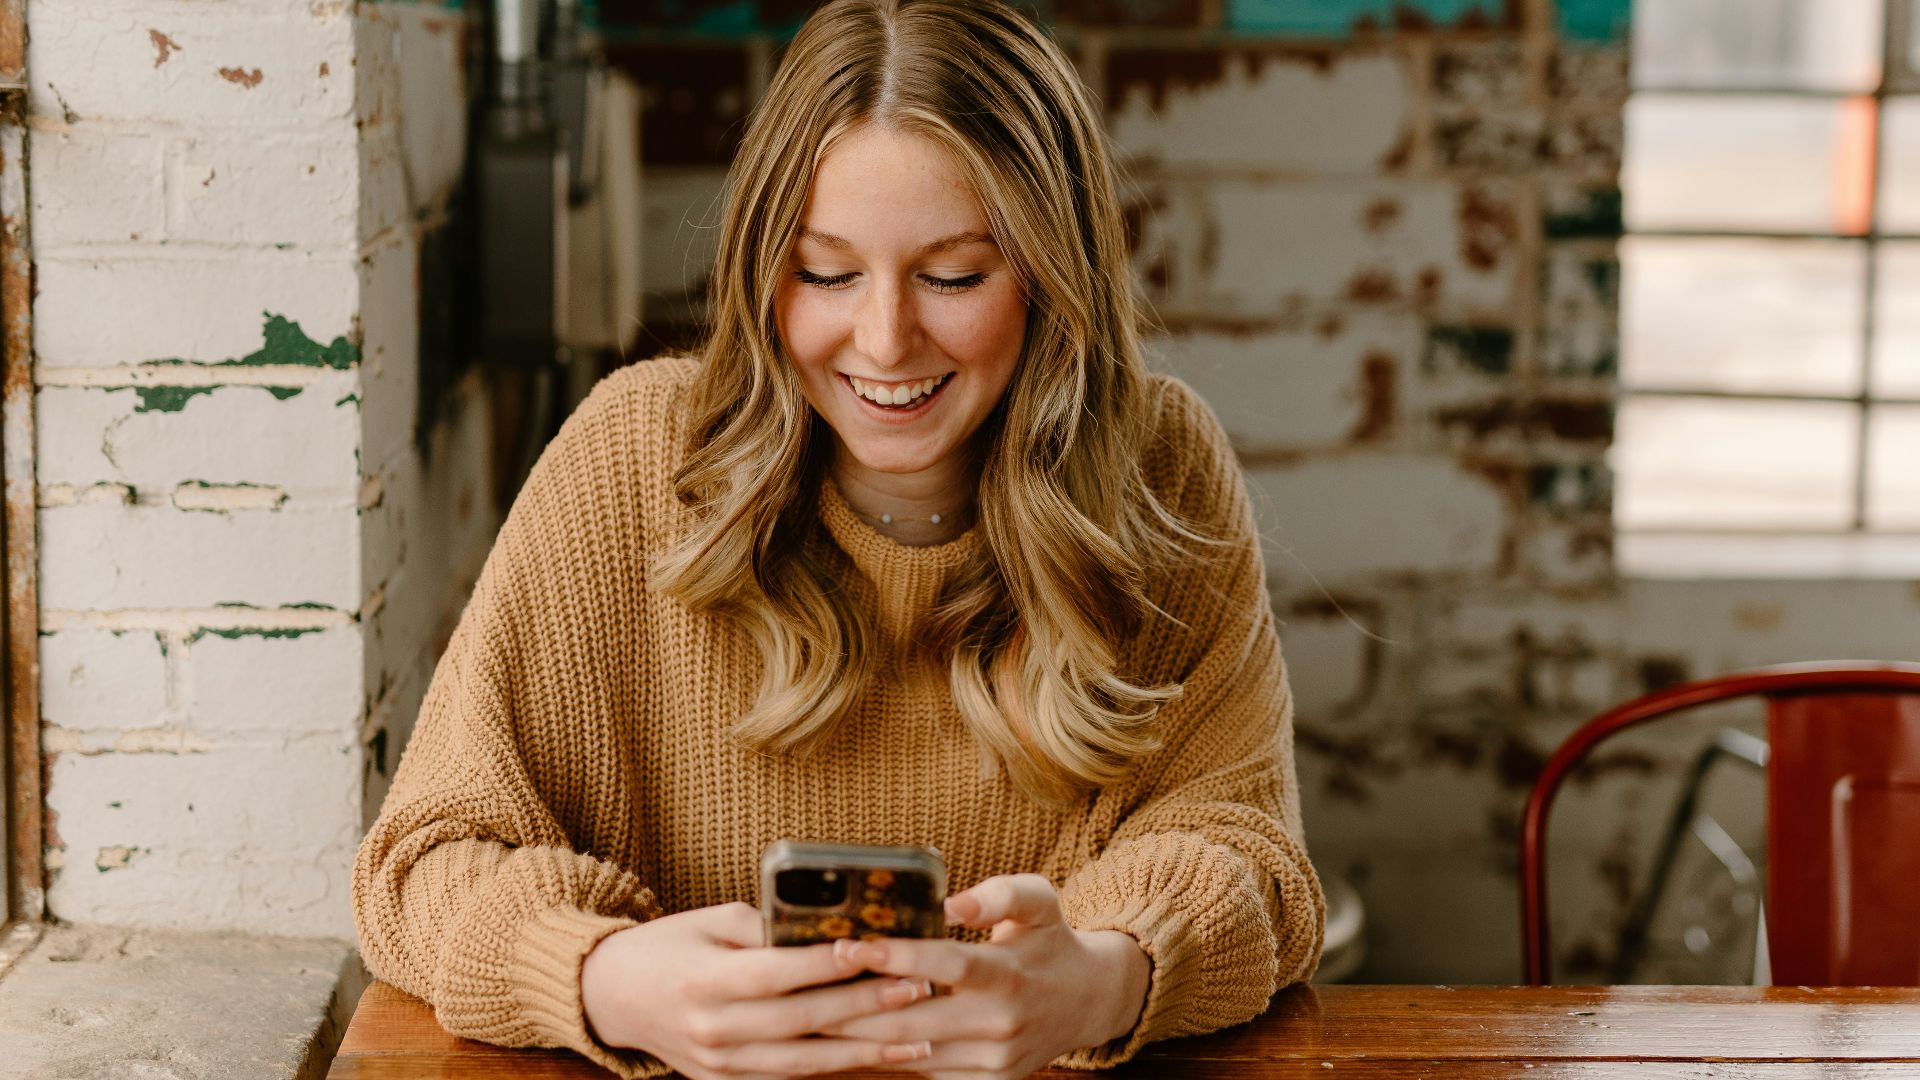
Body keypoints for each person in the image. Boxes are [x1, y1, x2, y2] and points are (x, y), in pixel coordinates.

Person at [351, 1, 1324, 1076]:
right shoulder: (628, 459)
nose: (884, 339)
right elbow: (421, 864)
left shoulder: (1162, 465)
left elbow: (1256, 863)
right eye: (825, 273)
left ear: (1056, 274)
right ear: (763, 268)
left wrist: (1105, 976)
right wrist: (604, 978)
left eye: (956, 276)